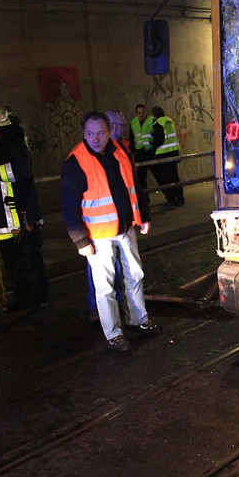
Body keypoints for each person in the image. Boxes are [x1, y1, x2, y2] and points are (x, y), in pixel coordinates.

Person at [61, 111, 162, 352]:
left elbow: (135, 186)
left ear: (109, 132)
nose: (95, 139)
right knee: (104, 286)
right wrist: (80, 240)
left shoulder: (120, 151)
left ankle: (139, 320)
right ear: (84, 133)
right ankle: (114, 333)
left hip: (126, 228)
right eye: (89, 134)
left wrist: (143, 216)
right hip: (97, 236)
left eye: (100, 133)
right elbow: (68, 205)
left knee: (135, 275)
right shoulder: (76, 162)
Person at [0, 104, 47, 316]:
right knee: (12, 264)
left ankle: (38, 300)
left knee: (31, 262)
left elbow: (20, 171)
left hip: (22, 217)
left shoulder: (16, 147)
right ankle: (21, 297)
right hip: (0, 219)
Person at [85, 110, 132, 323]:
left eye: (122, 125)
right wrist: (80, 238)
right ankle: (100, 311)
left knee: (125, 272)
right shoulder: (87, 158)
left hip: (121, 225)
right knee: (102, 278)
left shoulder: (120, 150)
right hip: (99, 230)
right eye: (117, 126)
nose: (121, 129)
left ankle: (121, 308)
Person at [150, 105, 184, 208]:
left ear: (155, 115)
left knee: (167, 179)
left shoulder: (158, 123)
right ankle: (180, 198)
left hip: (163, 153)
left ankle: (172, 200)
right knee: (174, 176)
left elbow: (158, 141)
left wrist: (152, 142)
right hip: (173, 152)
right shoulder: (169, 120)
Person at [130, 103, 156, 194]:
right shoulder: (133, 122)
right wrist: (134, 151)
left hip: (150, 152)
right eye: (139, 113)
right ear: (136, 113)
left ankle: (170, 197)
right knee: (141, 178)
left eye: (143, 112)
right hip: (139, 153)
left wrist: (154, 149)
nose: (142, 115)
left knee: (158, 175)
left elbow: (156, 135)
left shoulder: (152, 120)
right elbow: (131, 138)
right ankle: (145, 199)